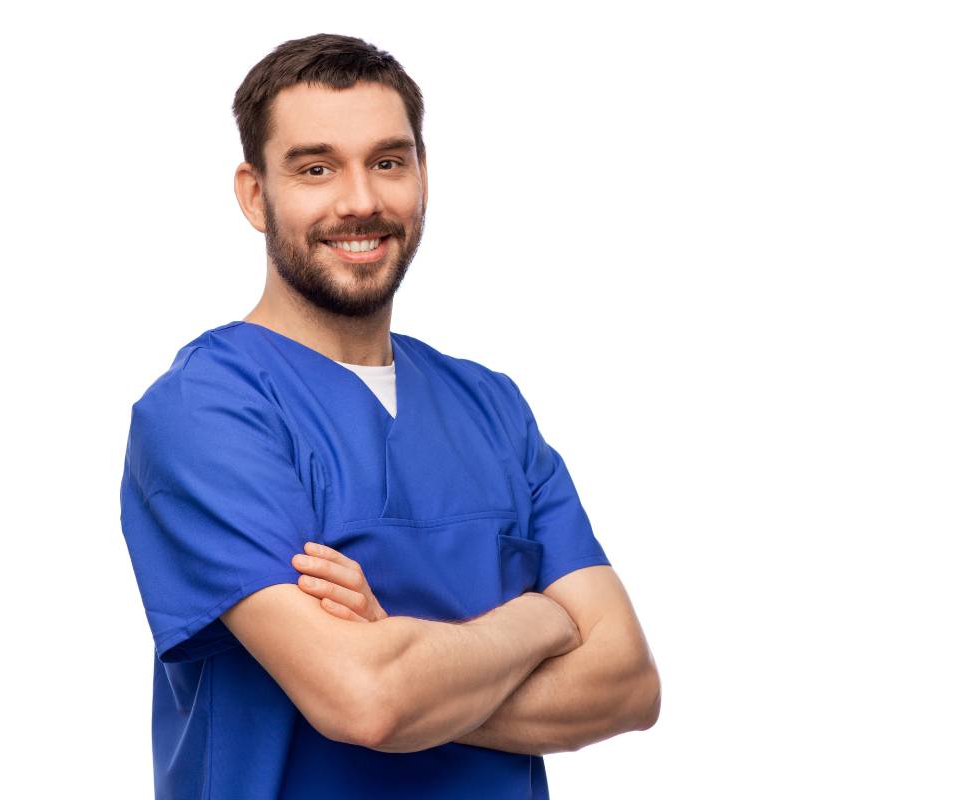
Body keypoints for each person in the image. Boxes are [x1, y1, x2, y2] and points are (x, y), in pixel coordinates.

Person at [118, 32, 660, 799]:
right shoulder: (207, 412)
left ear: (423, 176)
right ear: (253, 193)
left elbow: (629, 686)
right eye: (315, 168)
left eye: (388, 161)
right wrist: (538, 621)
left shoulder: (492, 407)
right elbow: (367, 702)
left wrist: (414, 671)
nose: (361, 201)